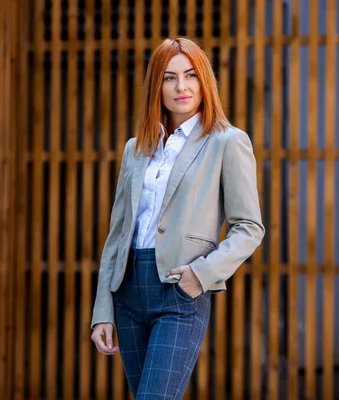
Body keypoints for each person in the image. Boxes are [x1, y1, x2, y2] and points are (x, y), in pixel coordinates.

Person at [90, 37, 265, 399]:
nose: (181, 87)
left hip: (179, 291)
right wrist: (102, 310)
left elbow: (249, 227)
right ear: (157, 85)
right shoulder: (135, 148)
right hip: (127, 292)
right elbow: (118, 234)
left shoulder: (227, 142)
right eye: (169, 77)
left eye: (190, 75)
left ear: (205, 82)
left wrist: (200, 275)